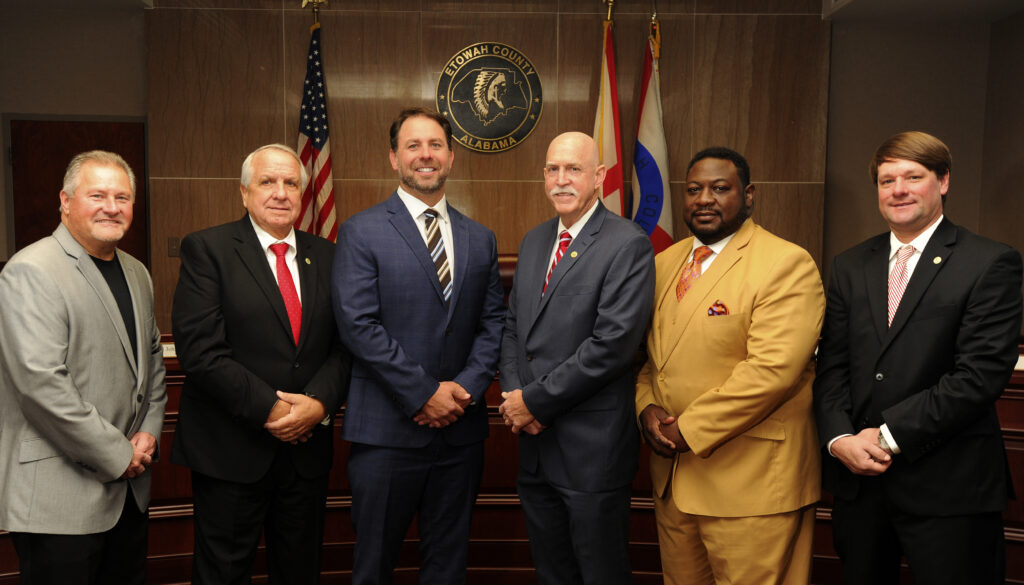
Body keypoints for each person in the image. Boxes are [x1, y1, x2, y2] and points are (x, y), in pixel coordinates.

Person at [814, 131, 1022, 585]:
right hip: (861, 486)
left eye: (913, 177)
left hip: (950, 490)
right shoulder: (850, 265)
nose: (898, 190)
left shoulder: (990, 262)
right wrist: (839, 439)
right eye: (887, 180)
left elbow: (979, 376)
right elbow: (832, 367)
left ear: (943, 181)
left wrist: (886, 436)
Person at [332, 107, 505, 585]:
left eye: (435, 145)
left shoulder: (480, 238)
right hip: (386, 433)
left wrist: (463, 391)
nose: (425, 155)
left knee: (448, 567)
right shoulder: (361, 231)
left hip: (460, 435)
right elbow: (358, 325)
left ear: (451, 157)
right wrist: (424, 394)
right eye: (413, 146)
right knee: (373, 567)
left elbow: (493, 323)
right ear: (394, 158)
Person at [635, 147, 824, 585]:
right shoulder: (662, 263)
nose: (704, 199)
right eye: (694, 189)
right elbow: (651, 359)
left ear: (749, 195)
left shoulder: (786, 264)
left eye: (720, 188)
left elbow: (771, 373)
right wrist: (645, 406)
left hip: (751, 484)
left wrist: (688, 428)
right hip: (675, 481)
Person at [170, 144, 350, 585]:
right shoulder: (208, 249)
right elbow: (201, 352)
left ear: (303, 194)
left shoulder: (330, 255)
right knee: (223, 575)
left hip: (305, 454)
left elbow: (345, 347)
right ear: (244, 192)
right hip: (230, 451)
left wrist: (317, 404)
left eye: (291, 183)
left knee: (300, 572)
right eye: (267, 182)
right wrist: (275, 409)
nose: (280, 193)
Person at [0, 151, 167, 585]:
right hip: (60, 499)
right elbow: (41, 386)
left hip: (129, 493)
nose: (112, 207)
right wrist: (119, 454)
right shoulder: (31, 270)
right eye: (97, 195)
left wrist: (149, 432)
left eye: (122, 197)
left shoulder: (137, 272)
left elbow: (152, 361)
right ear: (65, 201)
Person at [499, 131, 655, 585]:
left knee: (600, 574)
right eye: (553, 169)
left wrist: (533, 402)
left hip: (591, 452)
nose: (561, 179)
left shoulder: (627, 243)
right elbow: (514, 329)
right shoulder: (534, 241)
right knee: (552, 573)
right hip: (534, 446)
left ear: (599, 176)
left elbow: (612, 346)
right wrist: (514, 396)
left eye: (574, 169)